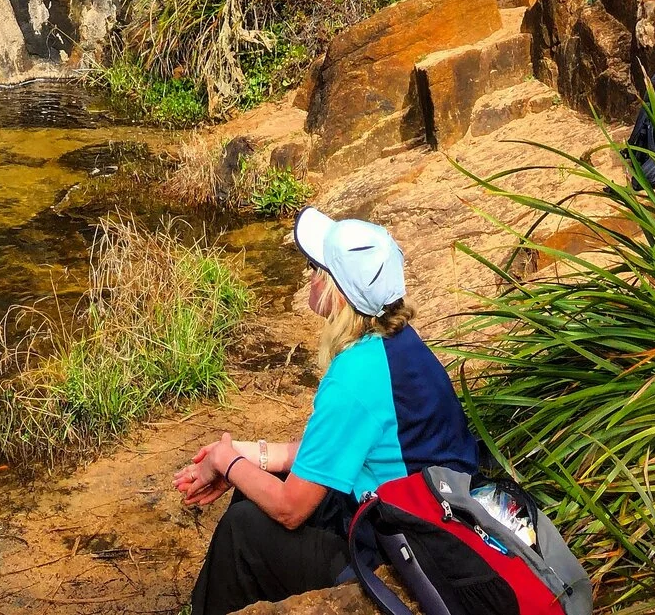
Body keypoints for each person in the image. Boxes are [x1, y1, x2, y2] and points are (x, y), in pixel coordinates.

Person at [177, 210, 482, 615]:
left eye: (314, 268)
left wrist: (225, 459)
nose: (309, 276)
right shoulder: (397, 344)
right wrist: (251, 457)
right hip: (424, 513)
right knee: (254, 486)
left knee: (243, 533)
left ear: (337, 292)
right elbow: (338, 447)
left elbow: (290, 509)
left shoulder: (354, 377)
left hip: (401, 549)